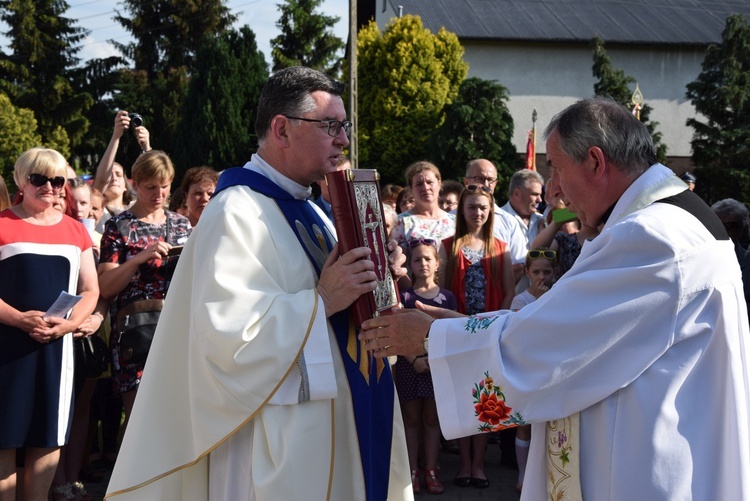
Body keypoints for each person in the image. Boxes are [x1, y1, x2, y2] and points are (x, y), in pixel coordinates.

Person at [360, 97, 750, 500]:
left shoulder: (654, 237)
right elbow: (567, 321)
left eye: (558, 170)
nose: (554, 190)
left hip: (645, 471)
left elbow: (556, 343)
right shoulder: (667, 219)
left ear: (596, 162)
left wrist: (432, 339)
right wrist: (457, 326)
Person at [105, 66, 411, 500]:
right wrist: (322, 300)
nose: (343, 139)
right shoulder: (235, 213)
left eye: (344, 126)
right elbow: (228, 341)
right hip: (276, 442)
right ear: (282, 129)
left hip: (345, 423)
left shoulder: (319, 211)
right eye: (330, 126)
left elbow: (347, 307)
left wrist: (378, 280)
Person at [0, 147, 99, 501]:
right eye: (38, 179)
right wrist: (18, 319)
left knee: (48, 436)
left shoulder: (76, 231)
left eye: (58, 181)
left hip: (56, 353)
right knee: (4, 439)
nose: (50, 187)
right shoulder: (2, 224)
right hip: (6, 351)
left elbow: (90, 290)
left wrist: (70, 326)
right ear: (20, 180)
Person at [98, 150, 191, 437]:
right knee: (139, 421)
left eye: (165, 186)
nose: (159, 193)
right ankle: (129, 480)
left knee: (176, 417)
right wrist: (139, 259)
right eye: (151, 186)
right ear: (134, 185)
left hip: (177, 329)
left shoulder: (181, 224)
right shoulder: (118, 226)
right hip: (136, 332)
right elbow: (106, 286)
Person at [438, 184, 514, 490]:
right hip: (458, 331)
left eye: (483, 207)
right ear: (462, 210)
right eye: (472, 207)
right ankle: (463, 463)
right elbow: (443, 292)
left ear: (491, 210)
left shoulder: (500, 247)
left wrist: (497, 324)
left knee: (487, 400)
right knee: (461, 399)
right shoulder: (449, 246)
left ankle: (478, 464)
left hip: (488, 333)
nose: (478, 213)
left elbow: (509, 290)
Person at [396, 239, 457, 495]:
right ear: (409, 265)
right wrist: (414, 359)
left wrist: (432, 360)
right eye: (417, 259)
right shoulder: (405, 297)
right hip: (409, 366)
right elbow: (397, 333)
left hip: (437, 367)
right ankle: (411, 471)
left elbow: (453, 333)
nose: (423, 263)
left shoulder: (447, 298)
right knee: (411, 420)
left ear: (437, 263)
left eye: (427, 259)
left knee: (432, 421)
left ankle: (431, 469)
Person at [464, 159, 527, 285]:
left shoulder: (509, 222)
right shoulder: (451, 218)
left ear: (496, 183)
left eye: (490, 180)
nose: (486, 184)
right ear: (466, 181)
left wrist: (496, 294)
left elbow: (518, 265)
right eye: (479, 178)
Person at [93, 111, 151, 233]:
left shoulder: (137, 207)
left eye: (118, 174)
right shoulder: (96, 209)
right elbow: (102, 180)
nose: (113, 178)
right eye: (110, 174)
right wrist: (116, 136)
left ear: (126, 185)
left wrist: (147, 147)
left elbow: (152, 180)